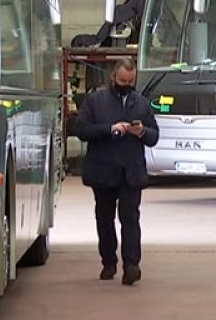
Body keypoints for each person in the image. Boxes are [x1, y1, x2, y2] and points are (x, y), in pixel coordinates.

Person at [75, 58, 159, 285]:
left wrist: (141, 131)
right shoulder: (95, 101)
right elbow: (81, 129)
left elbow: (154, 136)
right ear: (113, 77)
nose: (126, 84)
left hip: (131, 172)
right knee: (105, 218)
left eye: (130, 81)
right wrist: (109, 129)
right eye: (123, 80)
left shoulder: (141, 104)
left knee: (130, 217)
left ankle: (132, 265)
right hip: (103, 171)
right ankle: (108, 261)